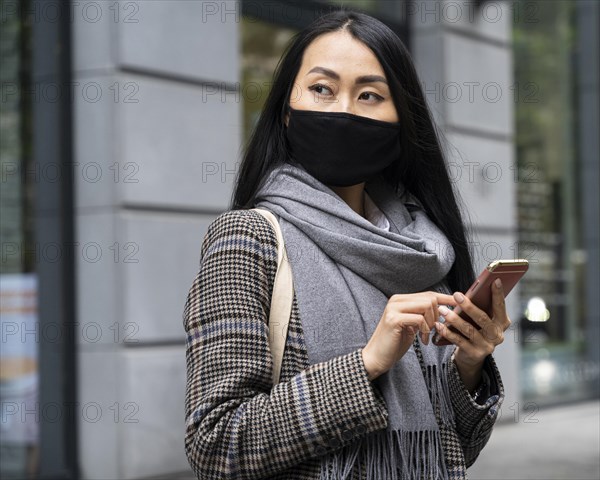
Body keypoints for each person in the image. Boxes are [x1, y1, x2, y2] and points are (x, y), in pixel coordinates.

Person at [183, 9, 508, 480]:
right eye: (321, 88)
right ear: (287, 111)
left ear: (401, 123)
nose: (343, 110)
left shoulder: (421, 253)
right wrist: (367, 364)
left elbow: (453, 450)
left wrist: (470, 363)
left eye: (370, 95)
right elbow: (216, 445)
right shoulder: (247, 239)